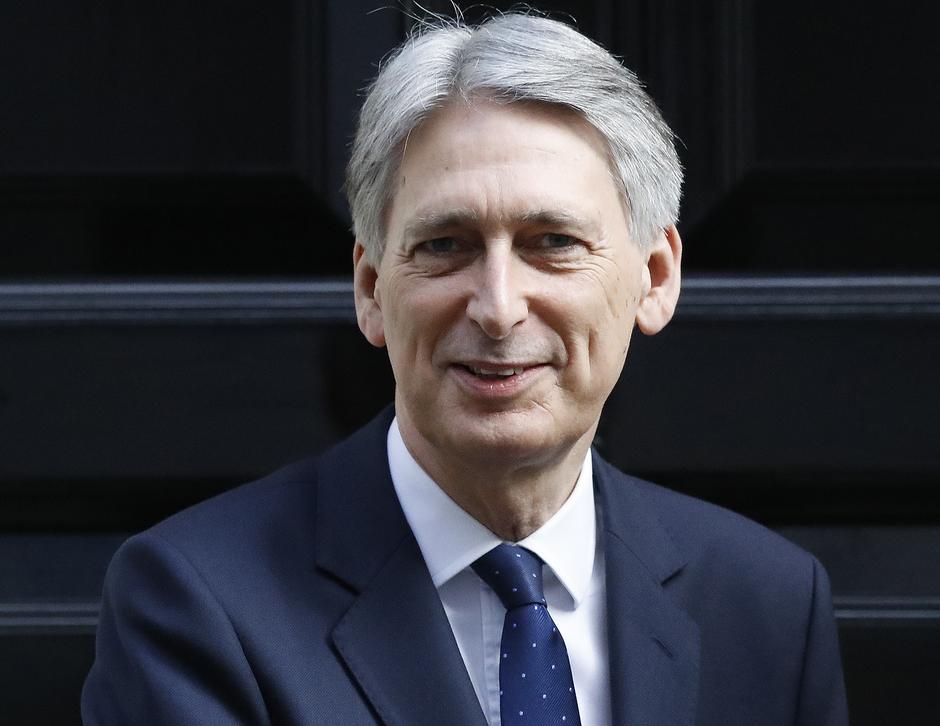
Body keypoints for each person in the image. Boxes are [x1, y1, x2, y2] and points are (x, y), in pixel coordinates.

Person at [82, 12, 848, 726]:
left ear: (654, 277)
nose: (498, 307)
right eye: (445, 245)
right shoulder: (199, 600)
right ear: (371, 289)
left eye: (553, 242)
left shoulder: (767, 603)